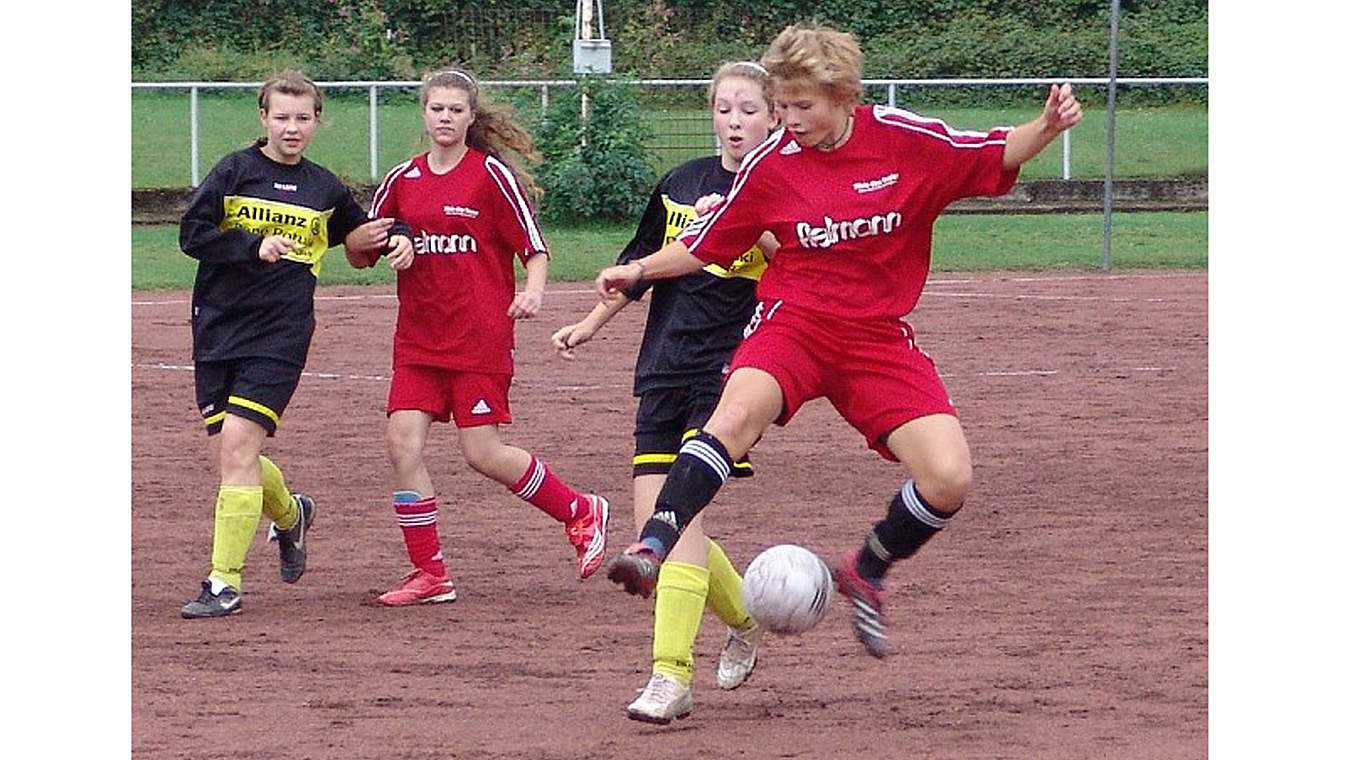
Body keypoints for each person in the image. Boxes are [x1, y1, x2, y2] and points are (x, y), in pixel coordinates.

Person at [597, 24, 1084, 659]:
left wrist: (1047, 126)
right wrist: (637, 271)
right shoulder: (770, 167)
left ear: (845, 96)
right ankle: (653, 545)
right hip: (792, 323)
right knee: (736, 413)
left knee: (949, 477)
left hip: (875, 338)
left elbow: (992, 152)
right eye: (783, 106)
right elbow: (704, 242)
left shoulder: (905, 141)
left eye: (803, 107)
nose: (789, 119)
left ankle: (867, 568)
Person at [551, 61, 779, 724]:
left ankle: (669, 677)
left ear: (772, 116)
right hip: (665, 366)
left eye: (748, 110)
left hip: (733, 372)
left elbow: (795, 265)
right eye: (724, 109)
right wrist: (590, 323)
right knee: (659, 523)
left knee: (678, 526)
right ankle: (745, 619)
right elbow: (637, 268)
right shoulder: (680, 185)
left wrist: (746, 223)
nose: (735, 122)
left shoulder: (781, 185)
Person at [346, 68, 610, 607]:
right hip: (418, 339)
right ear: (423, 114)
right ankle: (430, 573)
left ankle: (580, 510)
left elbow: (534, 249)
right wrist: (383, 242)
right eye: (436, 108)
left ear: (471, 116)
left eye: (455, 109)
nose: (444, 117)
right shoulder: (402, 180)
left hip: (479, 337)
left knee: (482, 453)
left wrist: (533, 292)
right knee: (402, 445)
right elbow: (360, 251)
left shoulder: (490, 176)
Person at [178, 69, 410, 618]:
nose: (292, 127)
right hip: (217, 327)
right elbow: (192, 235)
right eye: (281, 116)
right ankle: (290, 515)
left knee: (238, 448)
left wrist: (399, 237)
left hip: (280, 333)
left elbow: (364, 232)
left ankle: (223, 583)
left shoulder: (325, 188)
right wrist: (252, 245)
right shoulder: (234, 170)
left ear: (317, 121)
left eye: (302, 118)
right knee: (233, 457)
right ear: (263, 118)